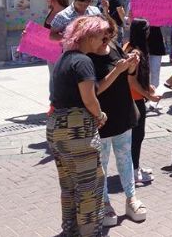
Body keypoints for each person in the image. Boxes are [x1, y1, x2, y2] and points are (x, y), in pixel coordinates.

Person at [47, 16, 109, 237]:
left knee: (70, 184)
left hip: (56, 127)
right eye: (101, 36)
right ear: (90, 36)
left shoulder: (64, 58)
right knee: (89, 185)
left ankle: (70, 229)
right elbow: (89, 99)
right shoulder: (83, 62)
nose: (104, 41)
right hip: (76, 129)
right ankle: (89, 232)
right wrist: (100, 114)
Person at [89, 21, 152, 227]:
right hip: (102, 119)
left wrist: (131, 67)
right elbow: (95, 90)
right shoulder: (87, 56)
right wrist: (117, 70)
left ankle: (131, 198)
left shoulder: (115, 46)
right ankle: (104, 202)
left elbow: (128, 76)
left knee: (126, 160)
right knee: (103, 163)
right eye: (101, 34)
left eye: (108, 33)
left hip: (124, 112)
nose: (105, 38)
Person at [123, 18, 159, 186]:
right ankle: (134, 173)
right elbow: (131, 81)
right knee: (137, 137)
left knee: (134, 137)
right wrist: (149, 96)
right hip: (134, 100)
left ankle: (134, 168)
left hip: (130, 99)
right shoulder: (136, 52)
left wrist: (148, 87)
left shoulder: (128, 46)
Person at [129, 0, 167, 91]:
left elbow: (165, 19)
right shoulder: (134, 2)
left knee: (155, 69)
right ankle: (143, 94)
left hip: (155, 38)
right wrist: (130, 17)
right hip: (139, 40)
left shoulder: (160, 2)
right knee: (141, 69)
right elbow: (130, 23)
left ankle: (153, 94)